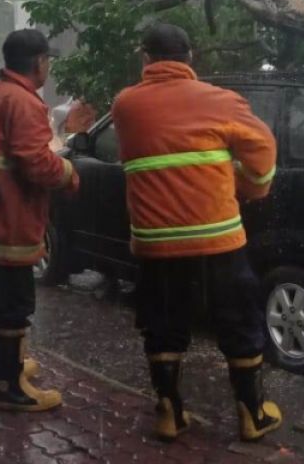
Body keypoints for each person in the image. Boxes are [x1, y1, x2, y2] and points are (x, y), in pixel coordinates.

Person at [111, 23, 281, 443]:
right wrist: (251, 187)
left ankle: (169, 412)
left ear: (145, 58)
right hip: (218, 237)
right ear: (191, 58)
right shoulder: (221, 102)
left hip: (157, 242)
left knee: (162, 323)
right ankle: (252, 414)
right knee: (237, 321)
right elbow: (263, 149)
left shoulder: (125, 106)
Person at [0, 29, 80, 411]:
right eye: (48, 61)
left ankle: (0, 366)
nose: (49, 67)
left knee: (1, 298)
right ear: (39, 63)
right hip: (8, 220)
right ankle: (8, 387)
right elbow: (37, 163)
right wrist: (69, 173)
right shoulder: (24, 103)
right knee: (14, 304)